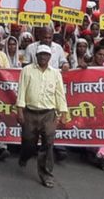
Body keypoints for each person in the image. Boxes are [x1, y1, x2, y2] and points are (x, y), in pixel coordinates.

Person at [16, 44, 68, 188]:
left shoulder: (55, 73)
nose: (43, 57)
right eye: (41, 55)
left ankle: (46, 174)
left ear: (50, 57)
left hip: (49, 113)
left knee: (48, 143)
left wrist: (63, 112)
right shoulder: (27, 70)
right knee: (28, 142)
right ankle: (24, 156)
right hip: (30, 112)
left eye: (46, 55)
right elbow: (21, 91)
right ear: (36, 56)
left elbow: (59, 93)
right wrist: (20, 110)